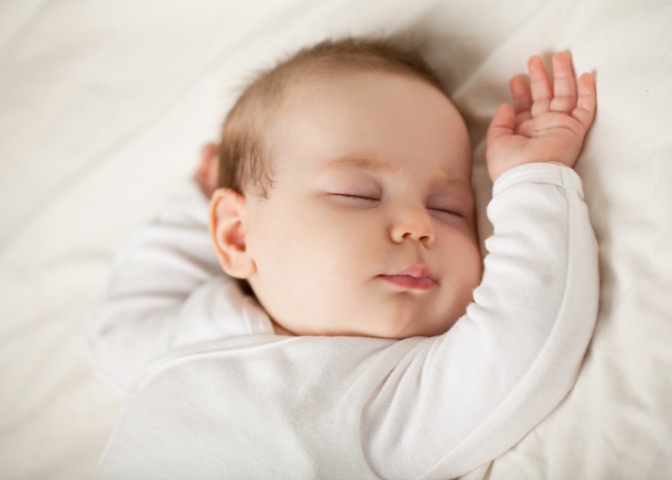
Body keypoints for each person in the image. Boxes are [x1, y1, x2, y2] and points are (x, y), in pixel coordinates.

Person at [88, 37, 598, 479]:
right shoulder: (195, 325)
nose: (417, 225)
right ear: (238, 237)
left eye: (448, 209)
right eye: (359, 195)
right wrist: (197, 201)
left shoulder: (391, 392)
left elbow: (520, 343)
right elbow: (121, 324)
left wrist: (532, 183)